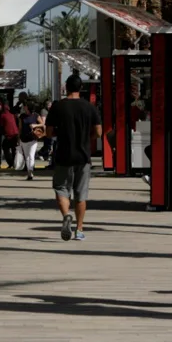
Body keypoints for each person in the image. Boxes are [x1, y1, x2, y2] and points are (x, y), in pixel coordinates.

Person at [46, 74, 101, 242]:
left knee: (61, 188)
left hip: (63, 155)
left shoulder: (57, 107)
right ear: (81, 88)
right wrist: (86, 138)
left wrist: (59, 133)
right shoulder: (89, 107)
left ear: (66, 87)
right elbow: (98, 132)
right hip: (83, 156)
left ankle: (66, 215)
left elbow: (48, 133)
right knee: (81, 194)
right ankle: (79, 229)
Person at [17, 104, 44, 181]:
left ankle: (30, 172)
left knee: (31, 155)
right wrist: (18, 138)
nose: (24, 107)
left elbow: (42, 124)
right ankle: (29, 171)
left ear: (28, 108)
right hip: (24, 138)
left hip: (33, 138)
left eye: (25, 106)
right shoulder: (22, 116)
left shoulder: (36, 115)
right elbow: (20, 128)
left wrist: (35, 125)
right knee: (27, 157)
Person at [0, 101, 20, 169]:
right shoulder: (12, 115)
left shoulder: (2, 115)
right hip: (15, 134)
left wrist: (1, 132)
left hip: (8, 135)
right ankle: (14, 163)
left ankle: (10, 163)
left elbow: (1, 126)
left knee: (5, 148)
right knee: (14, 149)